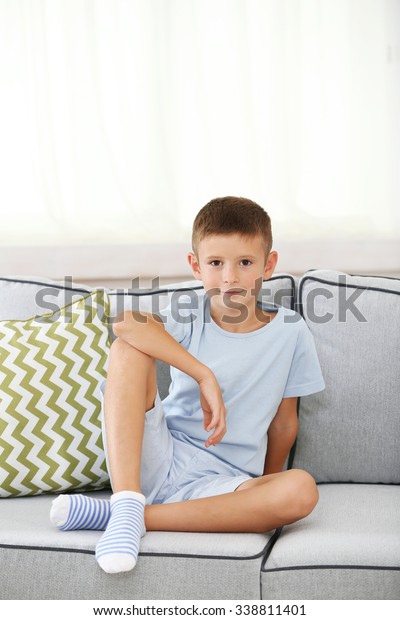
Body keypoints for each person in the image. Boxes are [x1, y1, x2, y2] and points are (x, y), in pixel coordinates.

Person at [50, 196, 325, 574]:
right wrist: (202, 373)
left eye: (245, 263)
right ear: (195, 266)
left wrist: (264, 486)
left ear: (268, 264)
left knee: (300, 490)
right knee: (128, 349)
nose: (230, 277)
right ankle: (128, 499)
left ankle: (127, 515)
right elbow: (125, 324)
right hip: (157, 456)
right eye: (216, 263)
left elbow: (284, 423)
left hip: (223, 482)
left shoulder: (291, 331)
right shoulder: (190, 313)